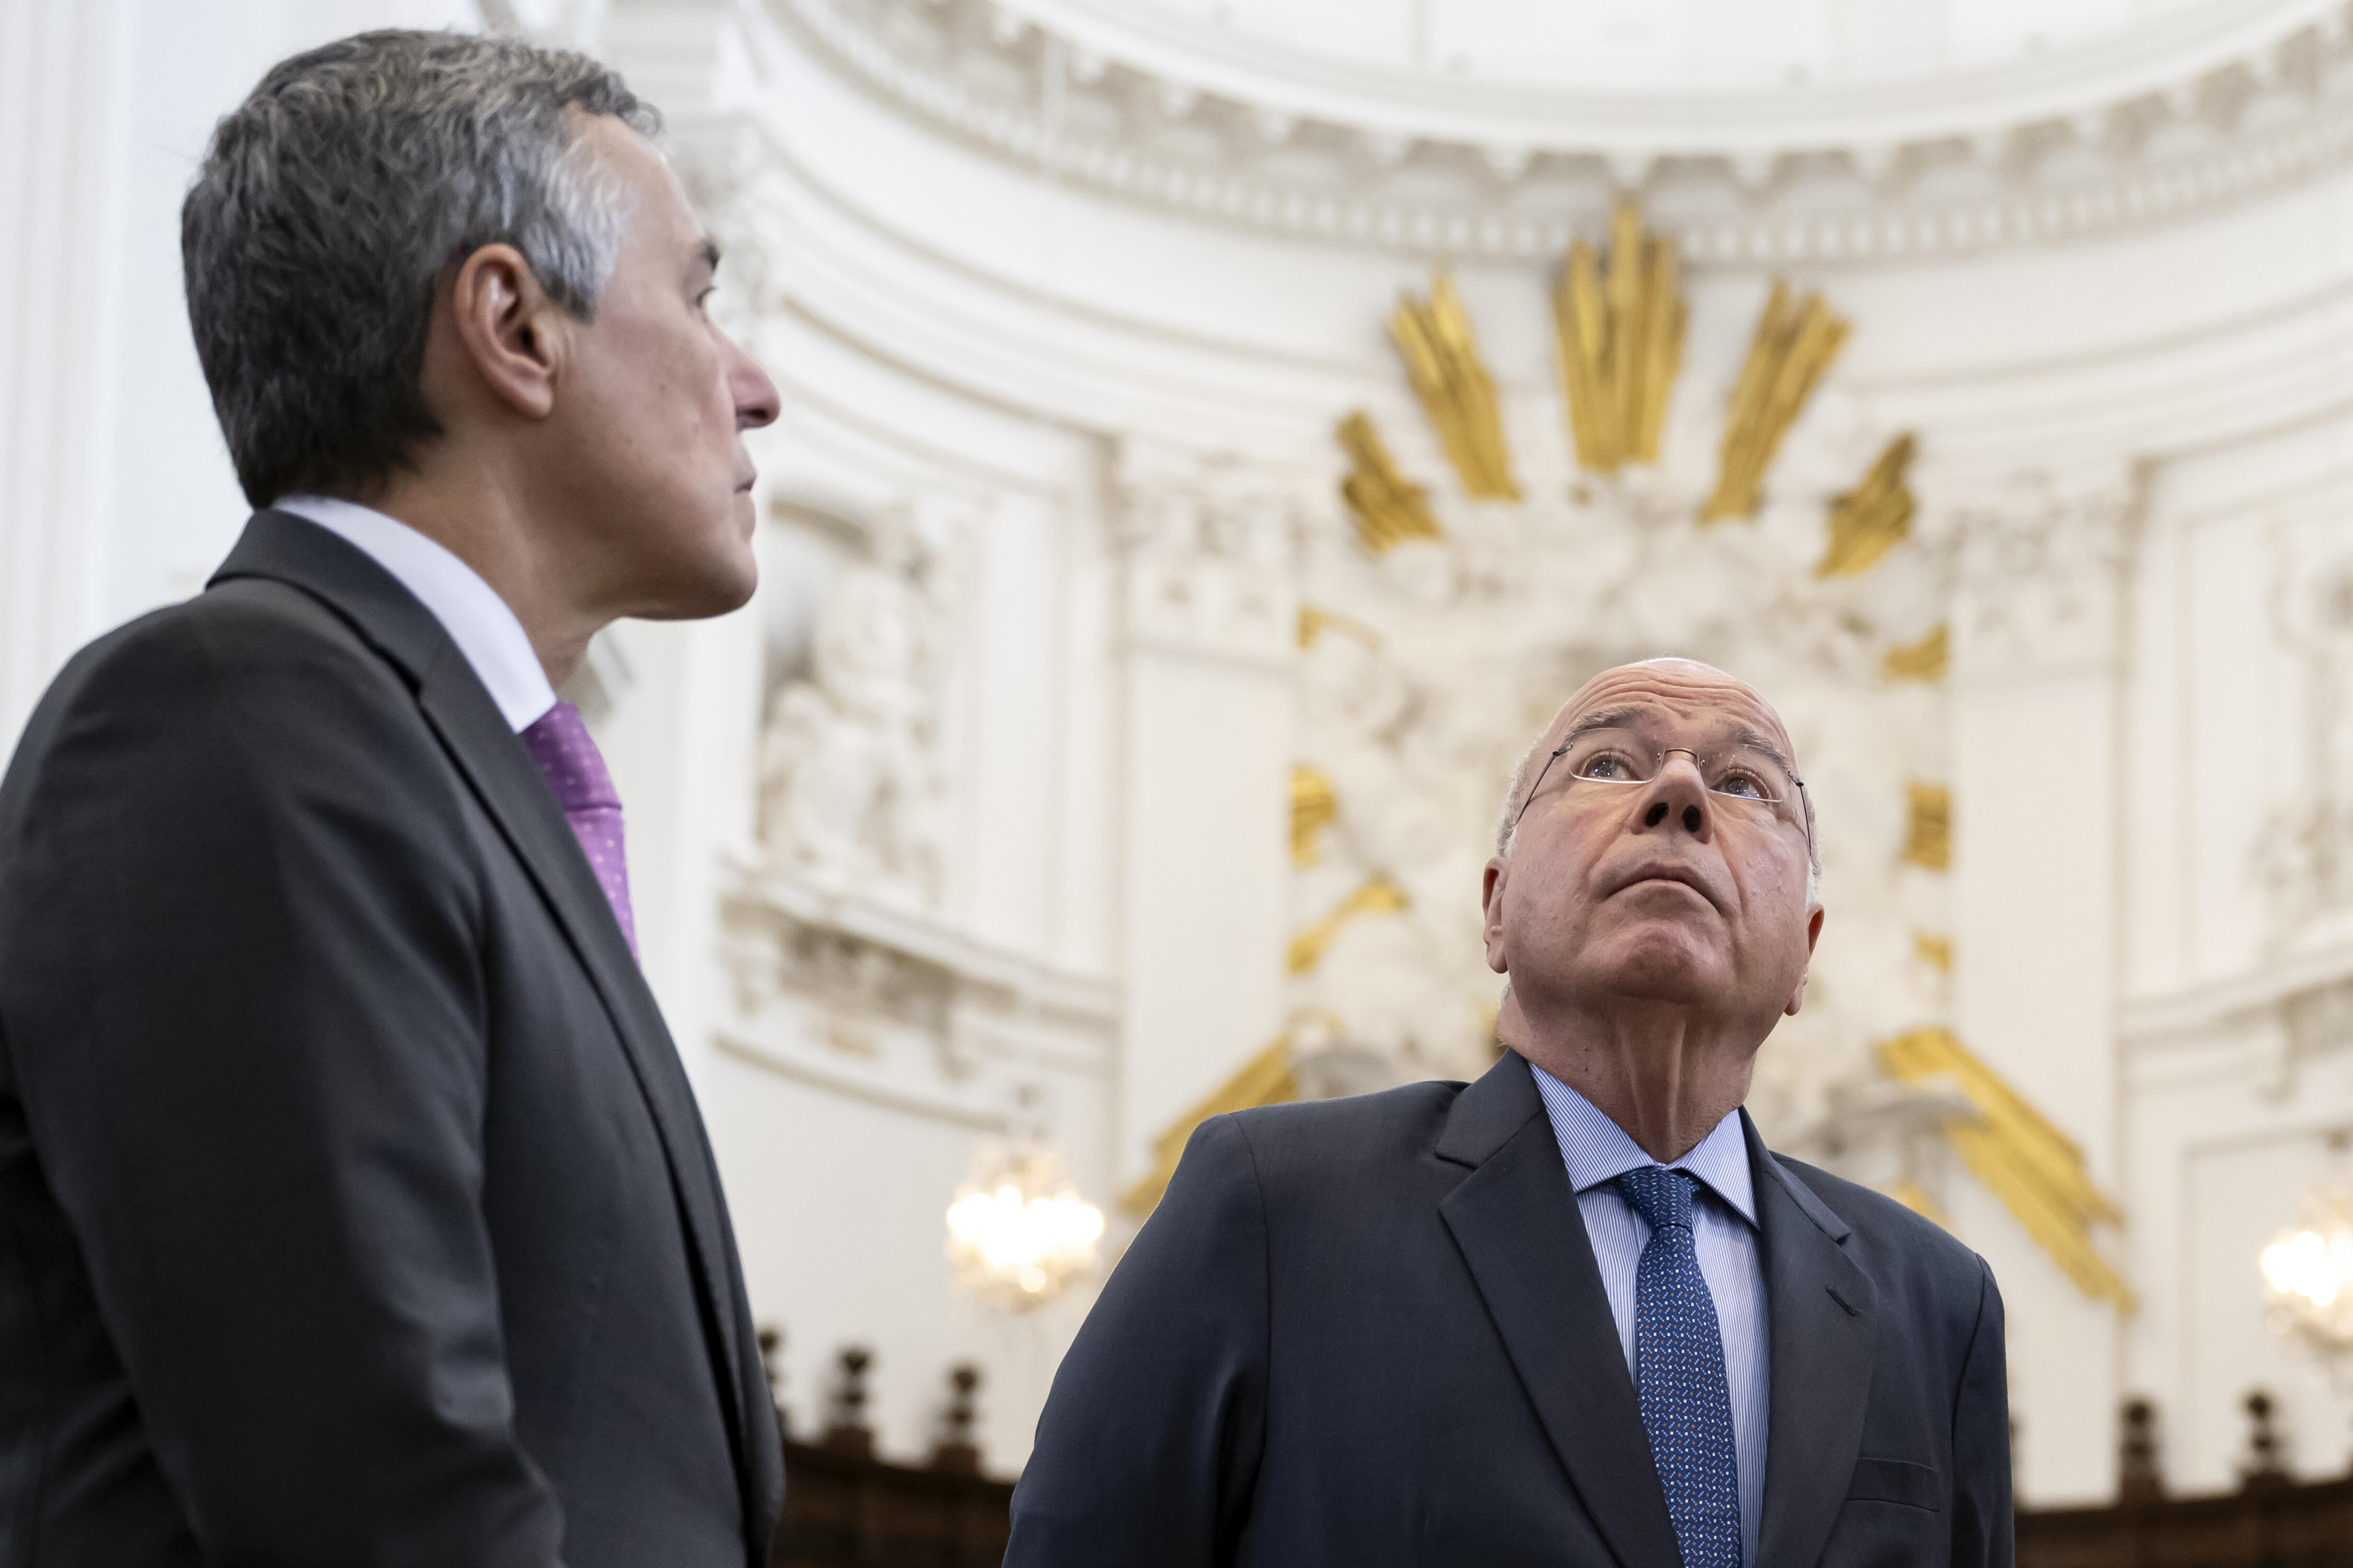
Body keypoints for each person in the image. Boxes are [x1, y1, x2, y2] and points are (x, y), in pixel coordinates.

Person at [0, 30, 783, 1565]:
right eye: (698, 296)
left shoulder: (435, 768)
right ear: (511, 323)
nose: (752, 386)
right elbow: (376, 1500)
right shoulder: (233, 720)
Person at [1007, 658, 2012, 1568]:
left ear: (1805, 945)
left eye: (1745, 783)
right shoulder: (1275, 1207)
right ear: (1493, 906)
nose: (1678, 792)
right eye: (1609, 764)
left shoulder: (1936, 1303)